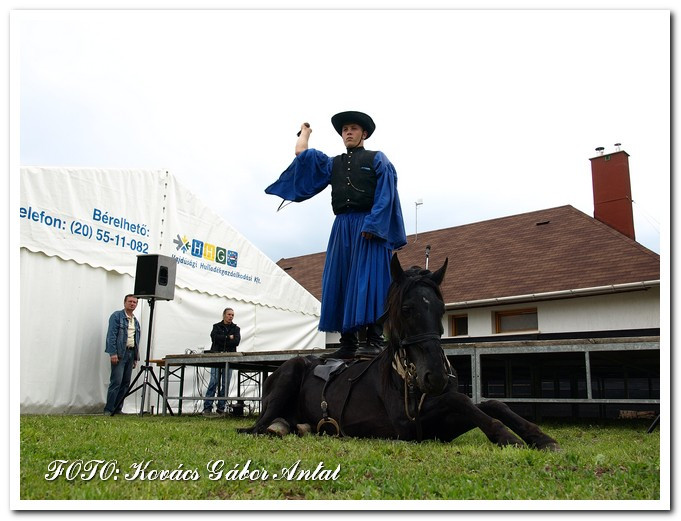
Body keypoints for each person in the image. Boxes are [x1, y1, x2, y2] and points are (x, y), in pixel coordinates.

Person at [265, 111, 407, 359]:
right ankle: (348, 341)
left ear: (364, 133)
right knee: (340, 279)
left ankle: (374, 338)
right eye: (344, 130)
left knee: (370, 280)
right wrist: (306, 133)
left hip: (368, 226)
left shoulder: (378, 159)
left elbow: (387, 194)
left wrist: (374, 225)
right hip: (342, 227)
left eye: (353, 128)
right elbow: (302, 155)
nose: (348, 132)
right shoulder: (333, 163)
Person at [104, 294, 141, 415]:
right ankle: (109, 409)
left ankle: (118, 408)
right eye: (130, 301)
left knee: (126, 383)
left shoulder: (135, 321)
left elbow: (136, 340)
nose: (132, 304)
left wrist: (135, 357)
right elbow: (111, 335)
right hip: (120, 353)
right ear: (124, 303)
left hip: (131, 353)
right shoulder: (117, 316)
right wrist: (112, 353)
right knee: (116, 382)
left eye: (135, 302)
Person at [203, 308, 241, 416]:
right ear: (224, 315)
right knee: (213, 381)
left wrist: (224, 339)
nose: (231, 316)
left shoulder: (236, 328)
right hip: (216, 357)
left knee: (225, 383)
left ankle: (221, 407)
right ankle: (207, 407)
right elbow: (214, 338)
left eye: (232, 315)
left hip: (229, 357)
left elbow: (236, 341)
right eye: (229, 314)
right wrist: (228, 337)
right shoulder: (216, 326)